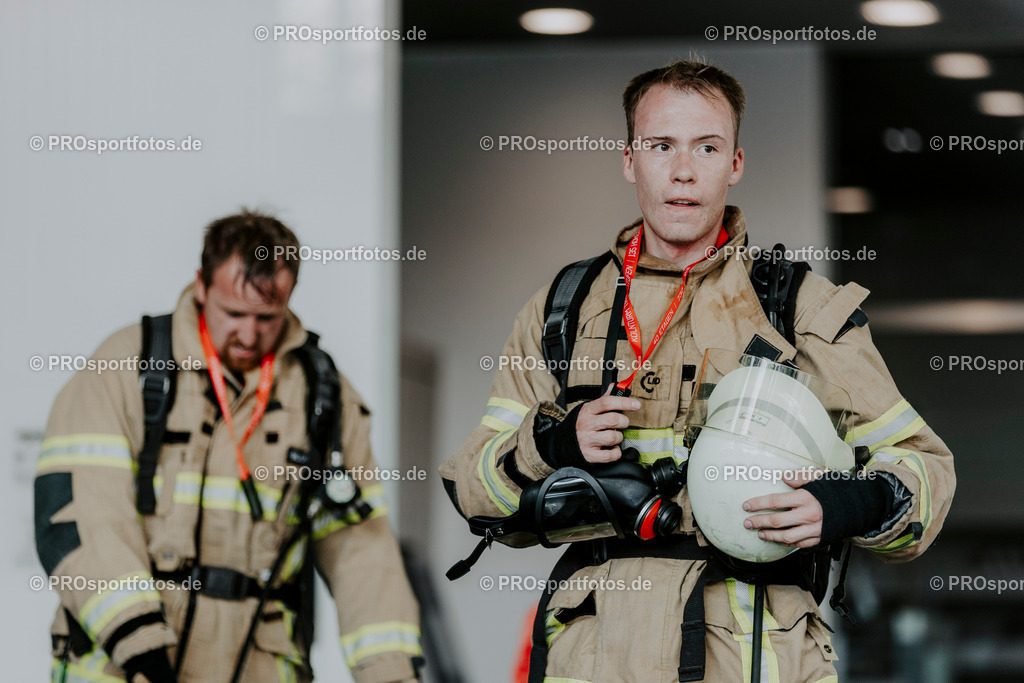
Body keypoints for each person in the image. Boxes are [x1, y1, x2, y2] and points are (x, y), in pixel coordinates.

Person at [440, 60, 955, 682]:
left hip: (754, 658)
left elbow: (924, 467)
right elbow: (472, 487)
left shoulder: (800, 308)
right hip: (595, 660)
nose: (683, 171)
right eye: (661, 146)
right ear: (630, 160)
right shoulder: (566, 307)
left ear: (734, 164)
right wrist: (552, 442)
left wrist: (846, 504)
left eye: (706, 147)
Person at [36, 211, 422, 683]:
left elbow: (363, 554)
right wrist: (140, 647)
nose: (248, 334)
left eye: (267, 318)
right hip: (126, 666)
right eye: (233, 314)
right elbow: (83, 515)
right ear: (201, 285)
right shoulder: (124, 367)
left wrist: (393, 673)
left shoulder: (324, 396)